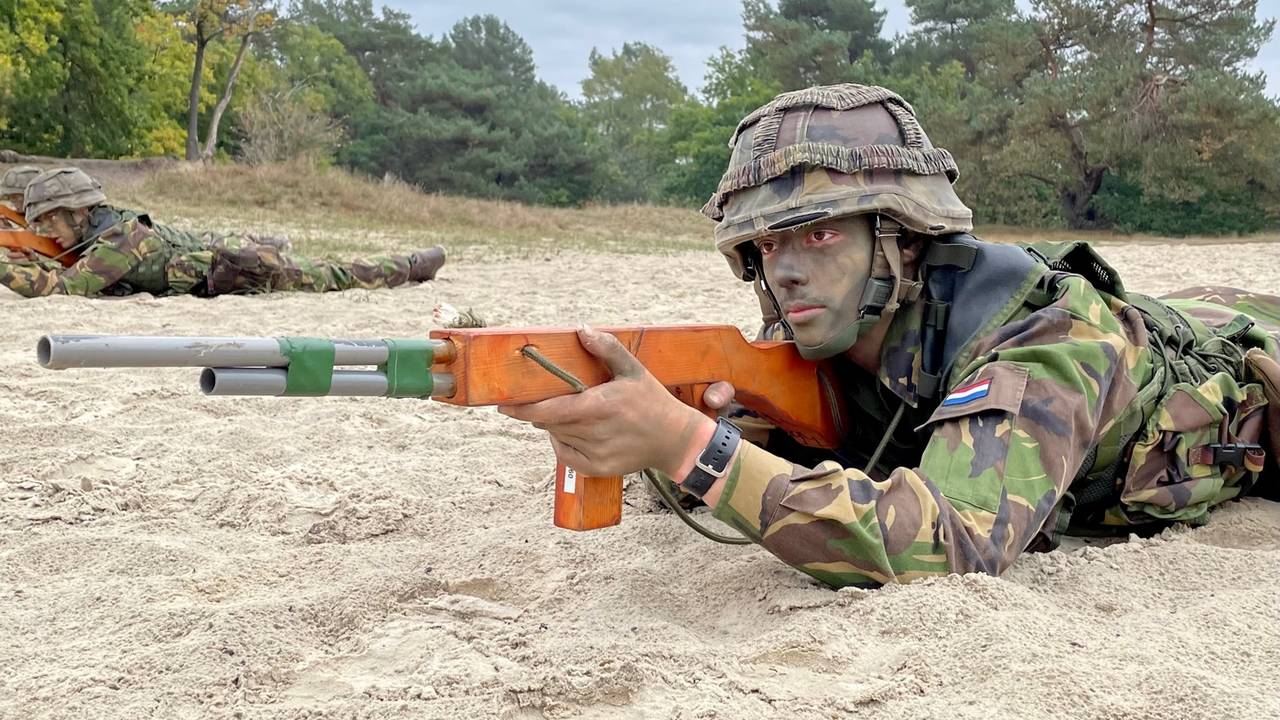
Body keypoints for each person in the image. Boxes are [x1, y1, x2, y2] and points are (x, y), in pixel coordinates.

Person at [499, 83, 1280, 588]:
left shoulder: (1044, 341)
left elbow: (954, 545)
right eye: (767, 248)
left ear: (902, 237)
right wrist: (692, 428)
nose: (788, 273)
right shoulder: (827, 333)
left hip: (1237, 352)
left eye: (819, 237)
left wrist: (689, 447)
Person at [0, 167, 446, 297]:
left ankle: (408, 267)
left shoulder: (121, 238)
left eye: (50, 222)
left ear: (77, 211)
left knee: (330, 274)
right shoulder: (100, 236)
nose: (48, 233)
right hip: (216, 257)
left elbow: (66, 287)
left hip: (233, 265)